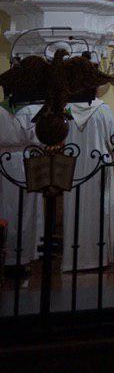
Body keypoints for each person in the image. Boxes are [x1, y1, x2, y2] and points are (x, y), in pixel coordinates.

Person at [62, 89, 114, 271]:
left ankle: (73, 259)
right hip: (97, 165)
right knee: (99, 209)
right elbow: (113, 142)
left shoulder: (66, 111)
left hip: (74, 166)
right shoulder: (103, 110)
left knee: (75, 210)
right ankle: (98, 259)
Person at [0, 100, 41, 270]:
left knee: (5, 208)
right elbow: (41, 139)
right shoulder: (32, 110)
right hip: (27, 160)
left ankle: (5, 255)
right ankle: (23, 257)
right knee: (26, 210)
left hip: (4, 161)